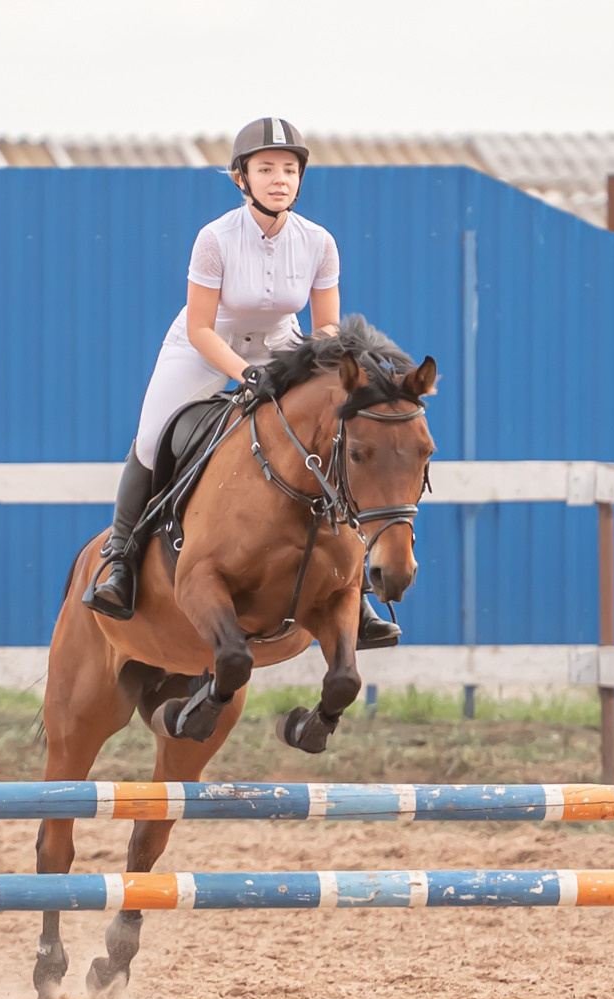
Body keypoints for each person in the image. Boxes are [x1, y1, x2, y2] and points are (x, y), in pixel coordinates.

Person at [83, 116, 399, 648]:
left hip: (283, 345)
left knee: (333, 432)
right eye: (267, 169)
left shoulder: (319, 241)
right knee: (150, 436)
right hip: (204, 347)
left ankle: (355, 590)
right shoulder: (215, 238)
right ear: (241, 178)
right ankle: (119, 559)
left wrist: (307, 365)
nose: (281, 179)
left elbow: (326, 326)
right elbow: (200, 325)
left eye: (290, 170)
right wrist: (242, 372)